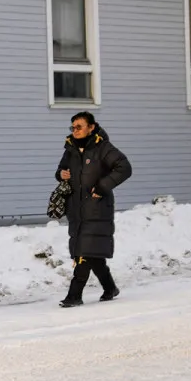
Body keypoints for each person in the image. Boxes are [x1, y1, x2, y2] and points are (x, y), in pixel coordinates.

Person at [55, 111, 132, 308]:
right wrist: (61, 174)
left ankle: (74, 295)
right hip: (76, 208)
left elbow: (124, 167)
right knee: (91, 253)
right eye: (73, 127)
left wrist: (102, 186)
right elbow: (62, 169)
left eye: (79, 126)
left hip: (97, 208)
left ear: (91, 127)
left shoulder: (103, 148)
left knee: (83, 252)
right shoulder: (70, 148)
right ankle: (110, 288)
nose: (75, 131)